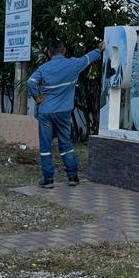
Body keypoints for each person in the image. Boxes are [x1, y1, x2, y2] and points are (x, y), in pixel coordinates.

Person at [27, 38, 103, 189]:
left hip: (46, 111)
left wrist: (37, 97)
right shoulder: (74, 64)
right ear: (64, 50)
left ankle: (48, 179)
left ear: (49, 52)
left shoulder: (43, 68)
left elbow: (31, 82)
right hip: (64, 111)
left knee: (45, 146)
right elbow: (88, 58)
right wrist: (99, 49)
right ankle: (72, 176)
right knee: (65, 143)